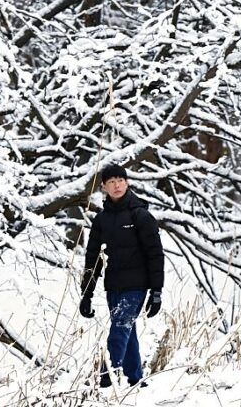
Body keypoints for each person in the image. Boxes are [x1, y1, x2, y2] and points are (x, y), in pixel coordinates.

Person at [79, 163, 164, 388]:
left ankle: (105, 379)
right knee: (127, 330)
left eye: (121, 180)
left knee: (119, 330)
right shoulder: (101, 220)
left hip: (136, 286)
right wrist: (86, 294)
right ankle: (136, 380)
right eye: (112, 182)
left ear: (127, 183)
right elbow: (93, 259)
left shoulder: (140, 216)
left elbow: (155, 254)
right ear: (104, 187)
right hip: (113, 286)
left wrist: (156, 291)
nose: (117, 185)